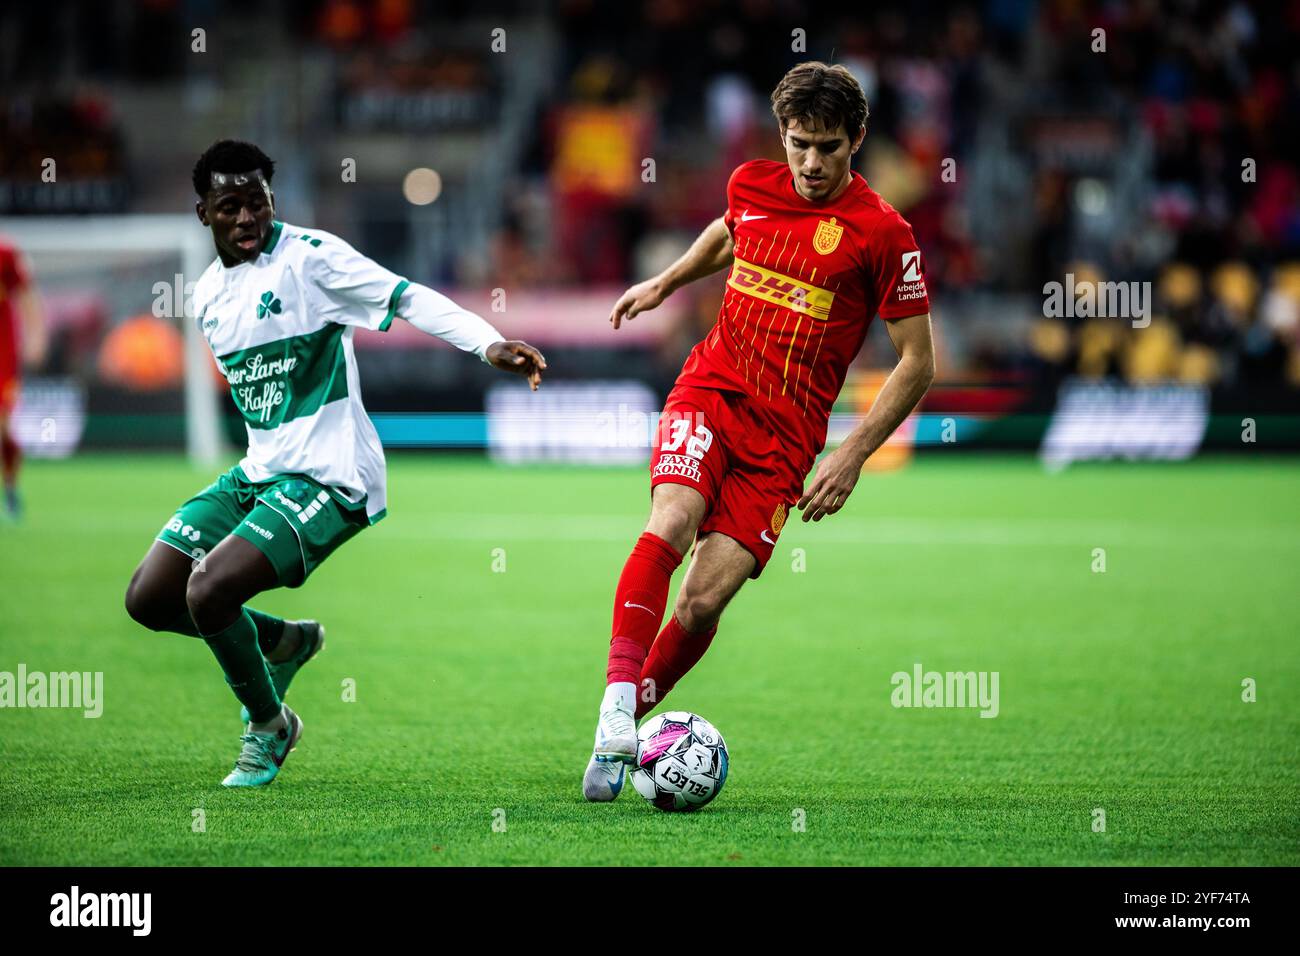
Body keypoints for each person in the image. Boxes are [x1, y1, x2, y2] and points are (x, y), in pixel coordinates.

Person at [125, 140, 547, 787]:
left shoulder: (313, 260)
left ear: (273, 201)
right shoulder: (208, 296)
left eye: (258, 203)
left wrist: (487, 343)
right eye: (229, 206)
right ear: (202, 213)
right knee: (150, 598)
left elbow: (405, 296)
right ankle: (282, 641)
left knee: (208, 590)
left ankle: (270, 726)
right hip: (259, 473)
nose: (247, 219)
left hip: (329, 477)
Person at [583, 63, 936, 800]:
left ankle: (623, 738)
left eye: (829, 147)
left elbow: (917, 363)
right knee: (672, 518)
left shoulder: (883, 234)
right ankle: (616, 707)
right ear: (782, 134)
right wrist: (666, 283)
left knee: (704, 600)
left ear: (858, 140)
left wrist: (852, 454)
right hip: (712, 388)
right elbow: (727, 232)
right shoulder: (753, 183)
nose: (810, 162)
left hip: (787, 442)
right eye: (799, 142)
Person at [0, 236, 48, 519]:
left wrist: (36, 336)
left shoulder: (6, 254)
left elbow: (27, 295)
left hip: (4, 353)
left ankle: (11, 486)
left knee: (4, 427)